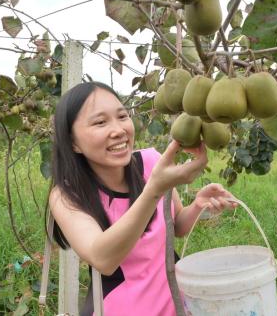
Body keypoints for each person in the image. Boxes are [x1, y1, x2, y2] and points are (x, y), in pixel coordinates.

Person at [48, 82, 237, 315]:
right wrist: (155, 189)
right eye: (100, 122)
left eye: (122, 116)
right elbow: (103, 258)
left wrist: (198, 205)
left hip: (174, 304)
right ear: (74, 142)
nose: (118, 130)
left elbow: (175, 225)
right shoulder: (67, 195)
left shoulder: (149, 163)